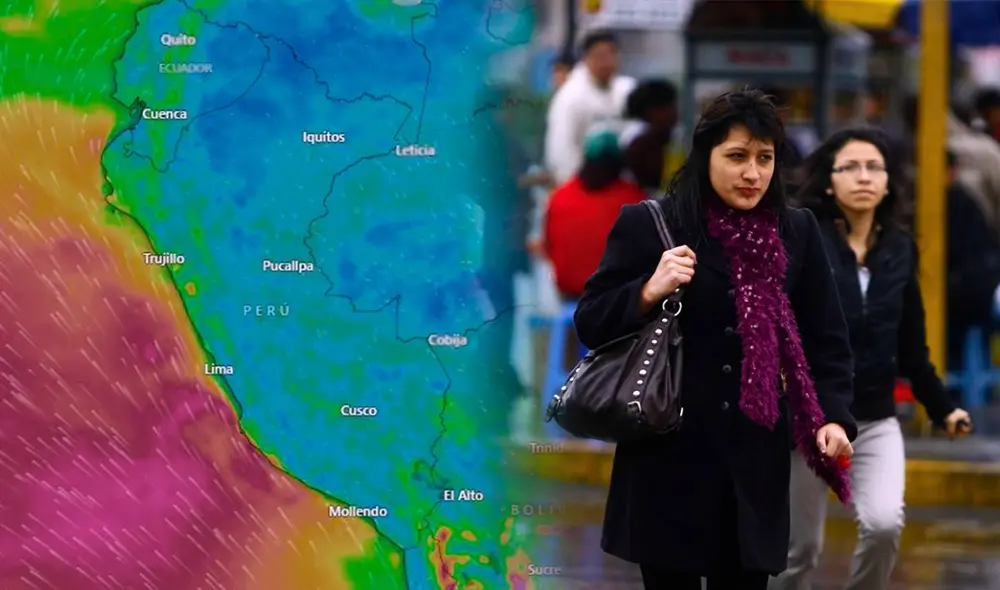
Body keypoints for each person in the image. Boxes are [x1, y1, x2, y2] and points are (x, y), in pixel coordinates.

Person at [574, 88, 857, 590]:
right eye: (737, 157)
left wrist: (833, 416)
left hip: (754, 461)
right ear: (705, 155)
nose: (753, 173)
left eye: (765, 158)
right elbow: (592, 321)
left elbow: (826, 336)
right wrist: (647, 290)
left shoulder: (795, 231)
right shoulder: (653, 225)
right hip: (667, 456)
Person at [771, 128, 973, 590]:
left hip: (875, 419)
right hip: (808, 419)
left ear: (887, 181)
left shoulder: (899, 249)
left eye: (874, 167)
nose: (864, 177)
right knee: (799, 552)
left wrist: (942, 408)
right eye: (851, 167)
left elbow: (913, 348)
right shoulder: (805, 241)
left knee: (883, 526)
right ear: (828, 181)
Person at [544, 128, 646, 299]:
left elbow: (548, 246)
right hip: (615, 297)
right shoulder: (633, 199)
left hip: (570, 295)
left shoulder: (559, 197)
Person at [544, 30, 636, 185]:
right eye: (600, 55)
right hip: (583, 187)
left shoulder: (627, 90)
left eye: (612, 53)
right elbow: (561, 150)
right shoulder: (570, 96)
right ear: (587, 58)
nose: (607, 61)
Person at [619, 79, 679, 193]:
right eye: (671, 107)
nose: (675, 113)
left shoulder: (666, 137)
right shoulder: (639, 142)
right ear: (652, 111)